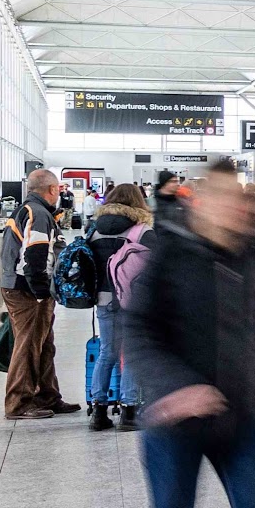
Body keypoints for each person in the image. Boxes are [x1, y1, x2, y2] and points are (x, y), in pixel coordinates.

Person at [123, 173, 255, 508]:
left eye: (241, 199)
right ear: (199, 204)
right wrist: (176, 388)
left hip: (243, 416)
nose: (239, 208)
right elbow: (136, 328)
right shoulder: (169, 252)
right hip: (174, 425)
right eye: (224, 199)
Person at [0, 168, 77, 420]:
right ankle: (18, 402)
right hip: (27, 290)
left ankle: (48, 395)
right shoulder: (39, 214)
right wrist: (42, 292)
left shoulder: (30, 209)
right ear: (52, 190)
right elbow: (34, 256)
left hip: (22, 286)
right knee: (28, 345)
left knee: (44, 344)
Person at [86, 184, 152, 431]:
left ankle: (98, 412)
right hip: (133, 299)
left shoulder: (94, 230)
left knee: (107, 352)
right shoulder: (142, 231)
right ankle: (129, 412)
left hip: (103, 298)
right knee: (132, 353)